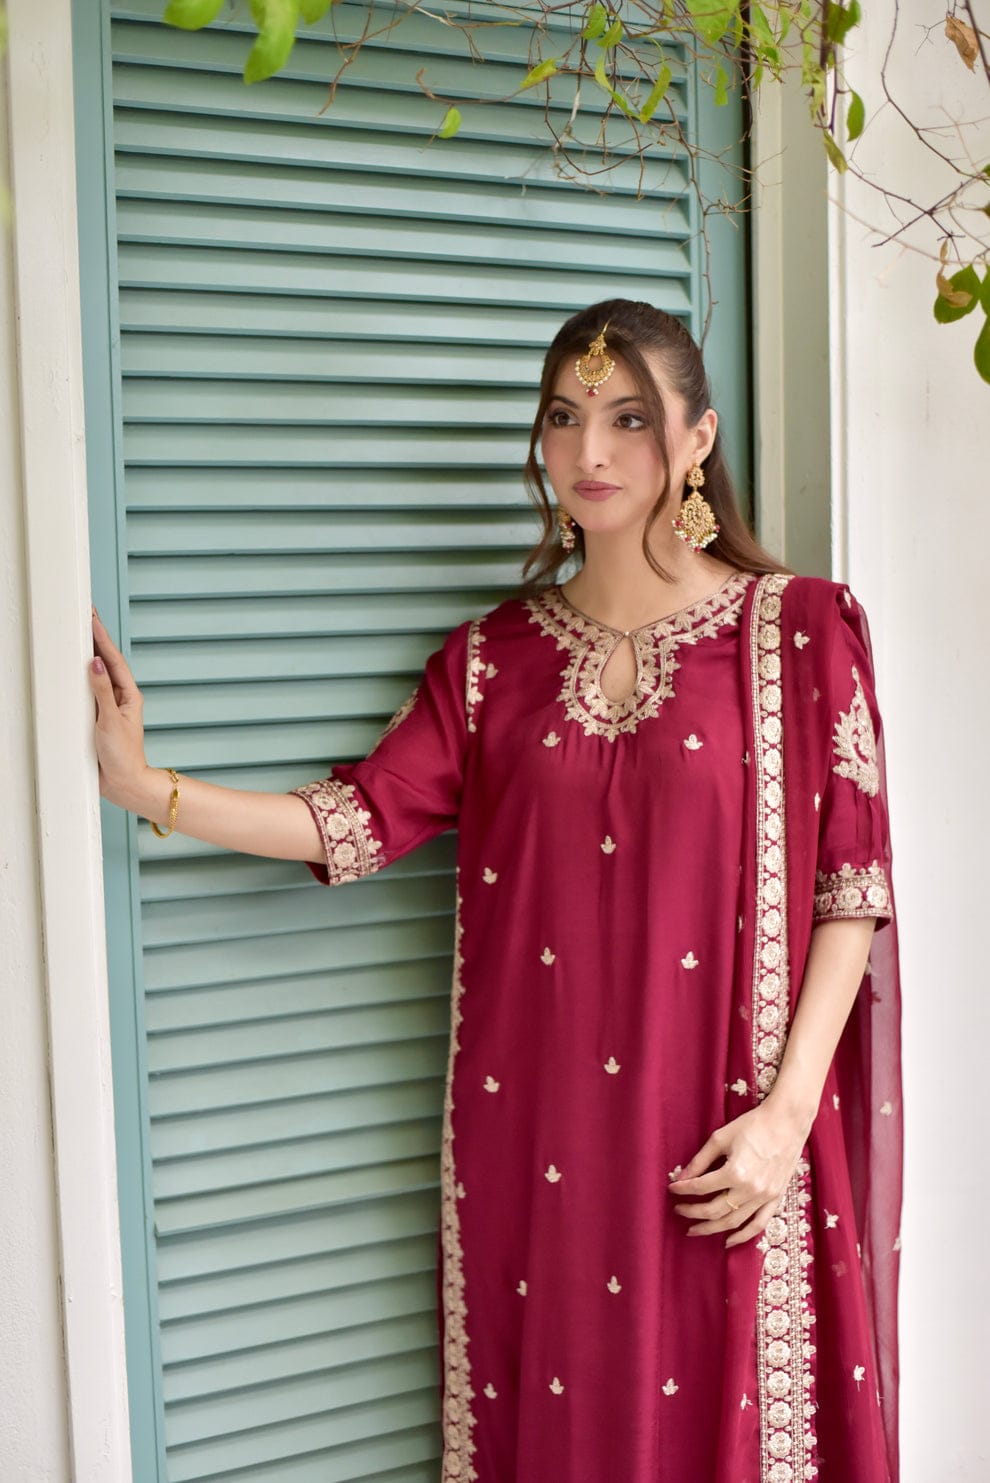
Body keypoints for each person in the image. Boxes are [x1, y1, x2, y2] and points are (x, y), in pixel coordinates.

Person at [91, 299, 902, 1483]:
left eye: (629, 419)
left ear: (698, 438)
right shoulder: (492, 662)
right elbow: (356, 820)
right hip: (543, 1154)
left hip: (735, 1142)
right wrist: (145, 786)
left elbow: (851, 890)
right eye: (564, 418)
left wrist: (786, 1119)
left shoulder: (801, 633)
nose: (590, 451)